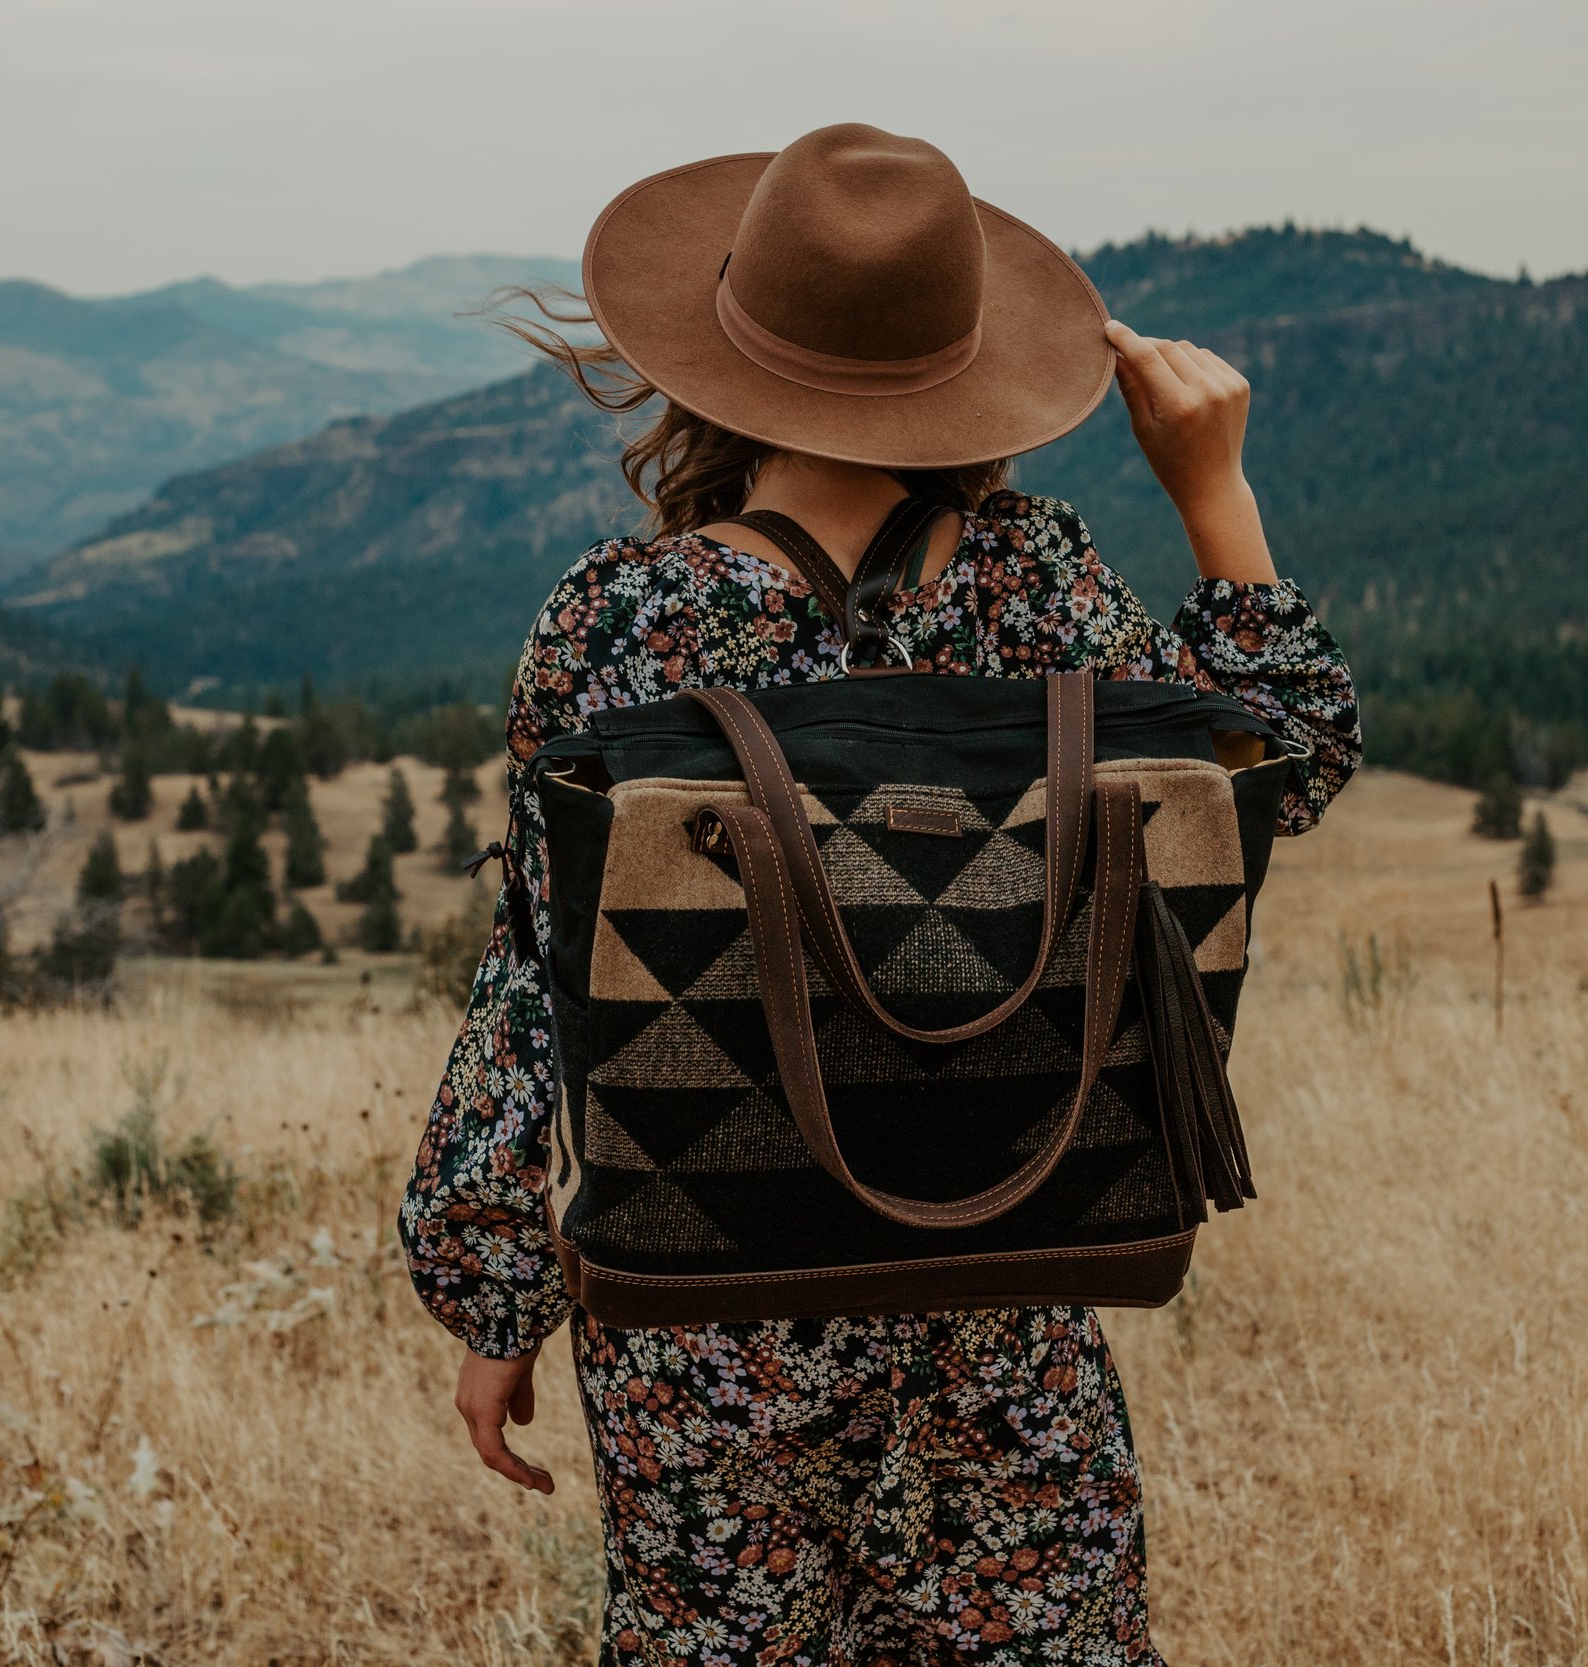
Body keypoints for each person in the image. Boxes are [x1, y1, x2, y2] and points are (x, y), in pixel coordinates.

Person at [402, 123, 1360, 1666]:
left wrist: (500, 1286)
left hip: (709, 1296)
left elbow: (537, 980)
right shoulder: (1041, 583)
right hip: (997, 1252)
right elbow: (1280, 775)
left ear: (721, 352)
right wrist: (1214, 488)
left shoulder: (614, 618)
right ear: (963, 373)